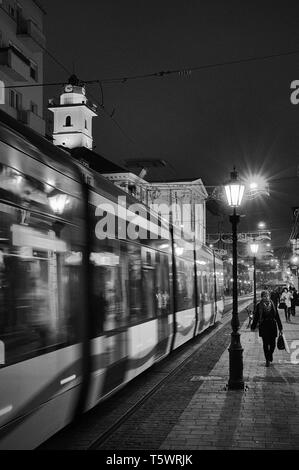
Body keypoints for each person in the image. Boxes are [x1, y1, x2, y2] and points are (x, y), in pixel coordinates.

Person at [251, 290, 283, 367]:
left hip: (272, 326)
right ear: (262, 297)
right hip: (264, 326)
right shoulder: (259, 305)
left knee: (273, 344)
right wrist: (253, 326)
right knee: (265, 344)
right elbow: (256, 317)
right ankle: (267, 360)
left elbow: (277, 316)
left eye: (267, 296)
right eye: (264, 296)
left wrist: (280, 327)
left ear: (269, 296)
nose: (266, 297)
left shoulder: (273, 304)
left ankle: (270, 354)